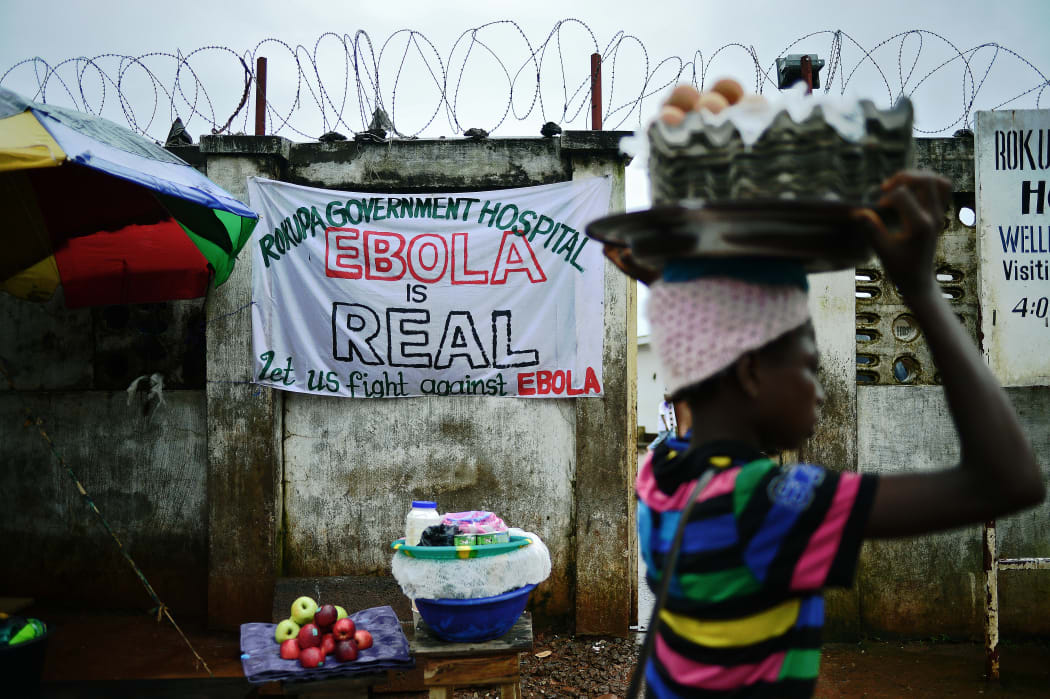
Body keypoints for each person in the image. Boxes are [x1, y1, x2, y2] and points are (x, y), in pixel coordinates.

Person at [634, 81, 1045, 698]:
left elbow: (696, 363)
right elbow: (1009, 480)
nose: (820, 387)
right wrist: (920, 288)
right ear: (748, 371)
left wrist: (676, 270)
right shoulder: (762, 506)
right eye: (806, 362)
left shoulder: (662, 476)